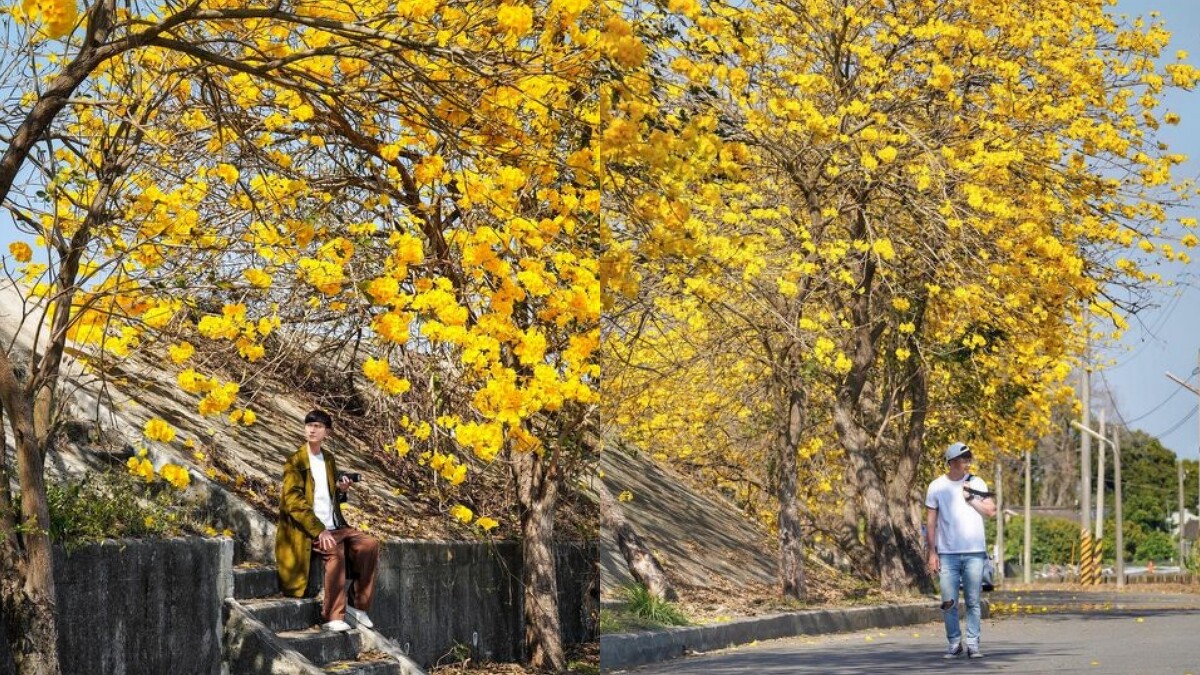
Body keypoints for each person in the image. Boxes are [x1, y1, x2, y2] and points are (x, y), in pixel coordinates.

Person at [275, 409, 381, 632]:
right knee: (335, 550)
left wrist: (341, 490)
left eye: (318, 426)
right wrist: (319, 530)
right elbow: (293, 501)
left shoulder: (328, 460)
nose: (312, 430)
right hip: (309, 530)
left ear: (327, 432)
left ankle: (357, 605)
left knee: (369, 544)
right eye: (309, 425)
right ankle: (332, 616)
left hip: (335, 525)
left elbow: (327, 495)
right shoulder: (295, 462)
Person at [925, 441, 996, 659]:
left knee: (973, 600)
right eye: (963, 459)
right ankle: (954, 642)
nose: (967, 463)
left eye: (968, 459)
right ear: (951, 461)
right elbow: (931, 521)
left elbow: (991, 511)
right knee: (948, 601)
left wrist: (971, 498)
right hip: (947, 553)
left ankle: (973, 643)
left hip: (974, 551)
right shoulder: (936, 486)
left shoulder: (977, 482)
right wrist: (932, 552)